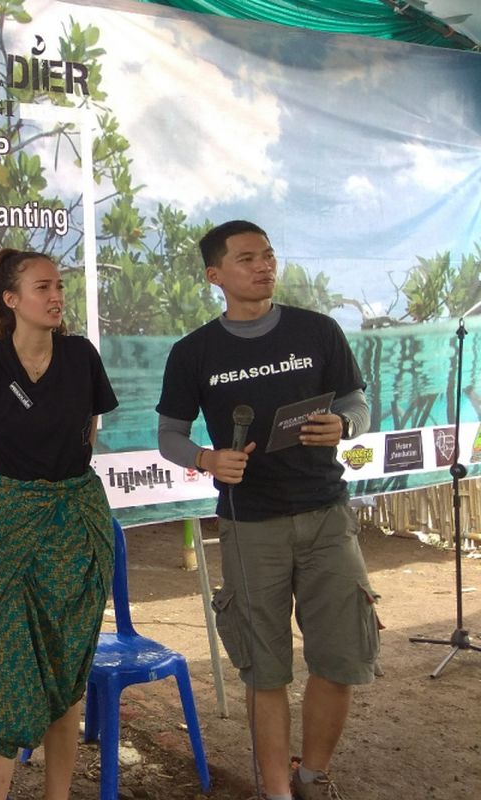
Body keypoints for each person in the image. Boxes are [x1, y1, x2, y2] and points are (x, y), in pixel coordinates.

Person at [155, 220, 377, 800]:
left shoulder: (318, 331)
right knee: (265, 669)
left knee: (339, 658)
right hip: (248, 525)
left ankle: (312, 776)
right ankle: (276, 790)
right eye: (248, 258)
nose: (264, 266)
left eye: (269, 255)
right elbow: (170, 436)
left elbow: (357, 399)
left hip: (328, 514)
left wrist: (346, 424)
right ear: (215, 276)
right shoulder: (193, 352)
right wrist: (208, 459)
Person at [0, 249, 119, 800]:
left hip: (80, 527)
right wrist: (14, 514)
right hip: (11, 535)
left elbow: (84, 440)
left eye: (61, 287)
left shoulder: (81, 357)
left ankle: (58, 795)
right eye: (43, 287)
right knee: (9, 675)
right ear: (11, 299)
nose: (56, 297)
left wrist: (55, 506)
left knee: (69, 671)